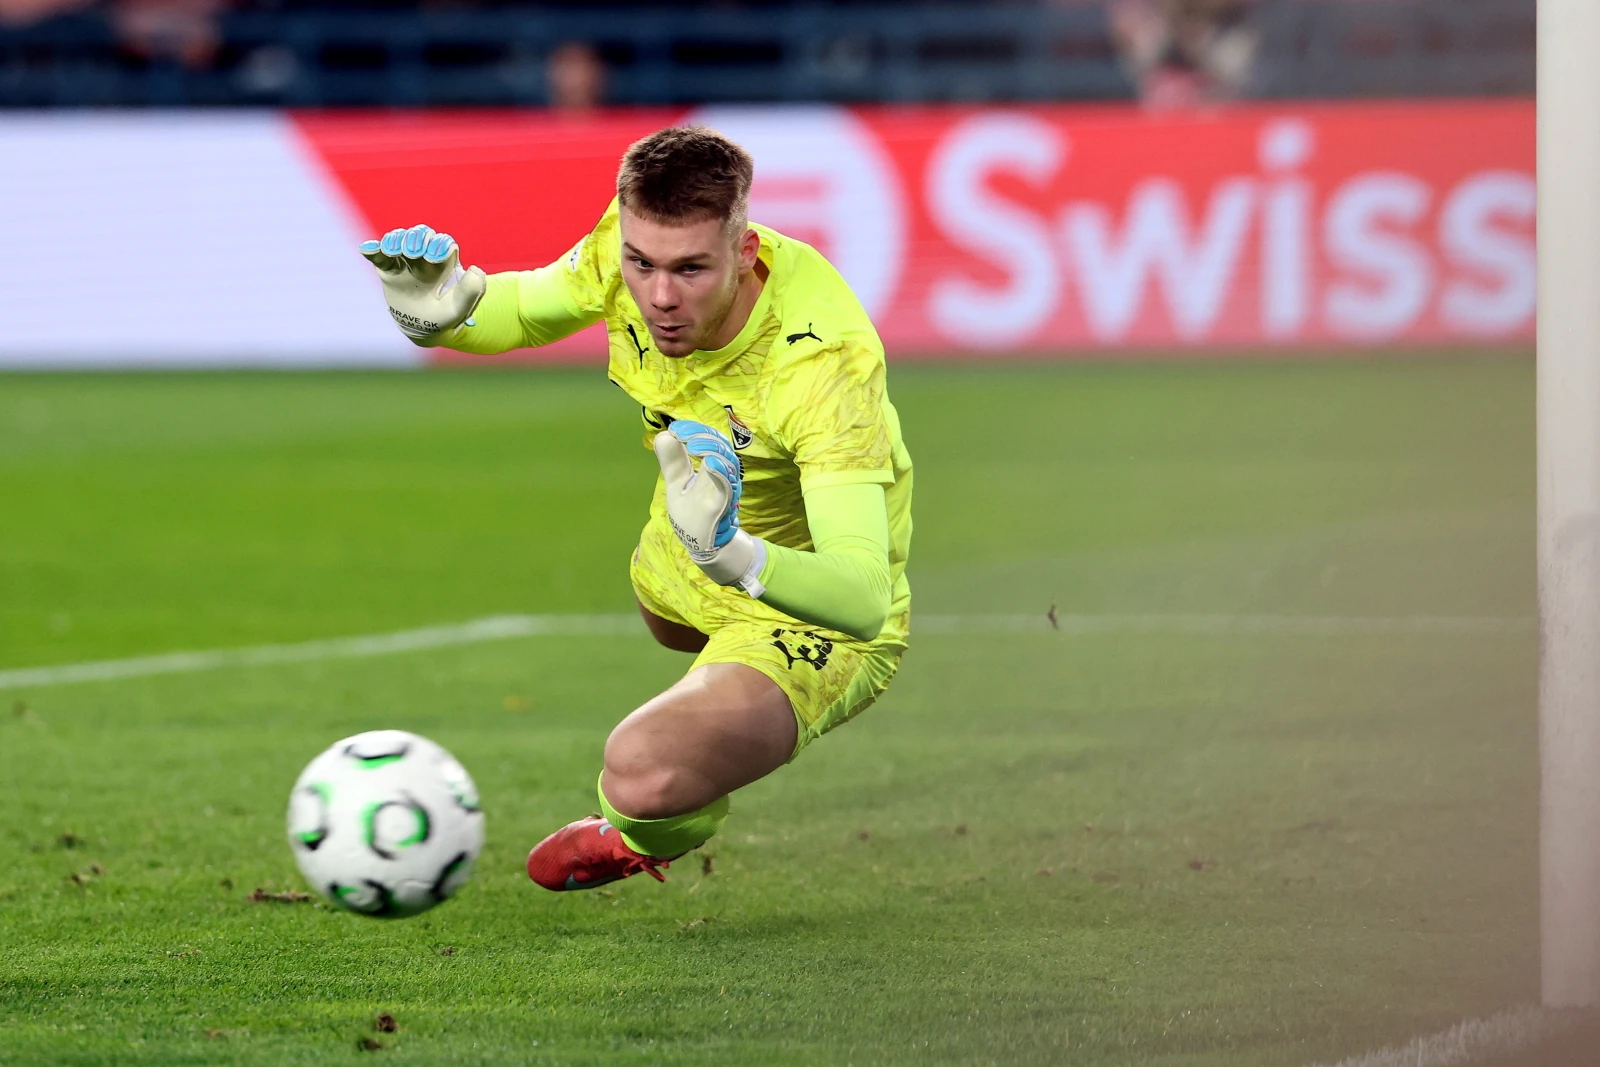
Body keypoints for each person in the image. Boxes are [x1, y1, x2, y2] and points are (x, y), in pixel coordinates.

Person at [358, 126, 913, 891]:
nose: (659, 295)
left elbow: (862, 595)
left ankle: (645, 830)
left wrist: (734, 555)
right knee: (662, 617)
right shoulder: (630, 244)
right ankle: (712, 714)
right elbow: (525, 308)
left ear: (745, 251)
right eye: (642, 264)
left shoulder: (822, 366)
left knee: (641, 768)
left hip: (806, 601)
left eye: (690, 269)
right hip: (683, 544)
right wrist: (444, 314)